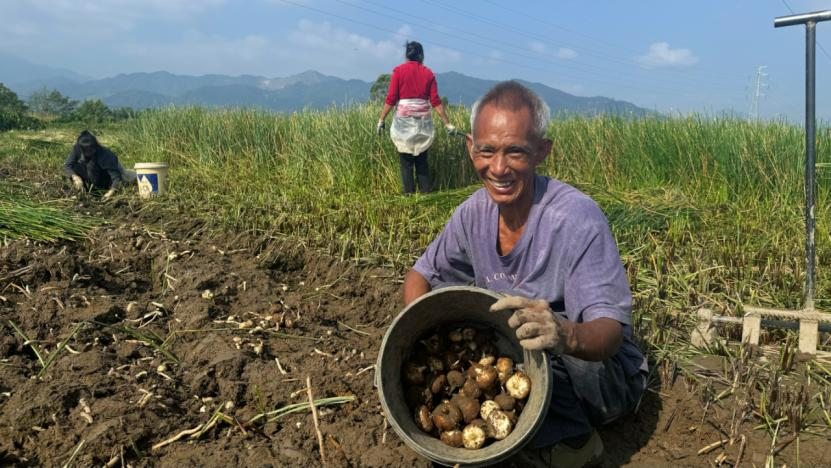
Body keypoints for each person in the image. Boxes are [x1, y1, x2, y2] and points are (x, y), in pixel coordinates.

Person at [402, 81, 647, 468]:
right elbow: (421, 276)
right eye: (487, 151)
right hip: (521, 357)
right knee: (488, 329)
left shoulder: (575, 218)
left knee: (526, 337)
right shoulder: (473, 213)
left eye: (515, 151)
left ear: (541, 152)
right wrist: (415, 333)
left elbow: (610, 332)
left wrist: (564, 334)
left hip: (598, 379)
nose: (498, 168)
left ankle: (575, 444)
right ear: (470, 147)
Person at [376, 41, 456, 195]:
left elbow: (391, 98)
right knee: (421, 161)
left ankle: (409, 196)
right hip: (423, 123)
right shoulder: (428, 73)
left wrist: (381, 120)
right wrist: (447, 123)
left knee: (406, 163)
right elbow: (435, 101)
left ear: (407, 55)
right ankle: (425, 195)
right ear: (421, 55)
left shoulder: (399, 72)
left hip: (403, 123)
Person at [64, 130, 134, 199]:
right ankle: (83, 192)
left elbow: (116, 177)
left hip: (106, 177)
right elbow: (67, 166)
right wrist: (75, 177)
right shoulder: (77, 149)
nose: (88, 152)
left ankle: (130, 175)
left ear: (95, 147)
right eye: (85, 150)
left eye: (90, 150)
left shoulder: (106, 154)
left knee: (126, 178)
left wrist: (110, 192)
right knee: (75, 168)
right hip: (91, 177)